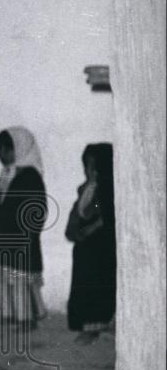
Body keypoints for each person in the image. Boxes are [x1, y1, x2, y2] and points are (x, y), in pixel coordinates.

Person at [0, 127, 48, 327]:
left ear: (20, 149)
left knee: (19, 280)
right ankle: (8, 314)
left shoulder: (31, 177)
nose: (3, 155)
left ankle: (27, 319)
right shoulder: (5, 175)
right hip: (0, 237)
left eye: (7, 150)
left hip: (19, 239)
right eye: (0, 150)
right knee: (2, 279)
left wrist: (25, 233)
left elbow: (37, 210)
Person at [65, 143, 116, 342]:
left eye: (95, 167)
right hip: (85, 249)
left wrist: (91, 227)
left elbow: (101, 216)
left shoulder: (104, 191)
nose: (90, 171)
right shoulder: (86, 190)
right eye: (87, 166)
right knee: (83, 288)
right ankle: (86, 326)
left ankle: (95, 328)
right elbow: (80, 212)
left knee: (97, 288)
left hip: (100, 252)